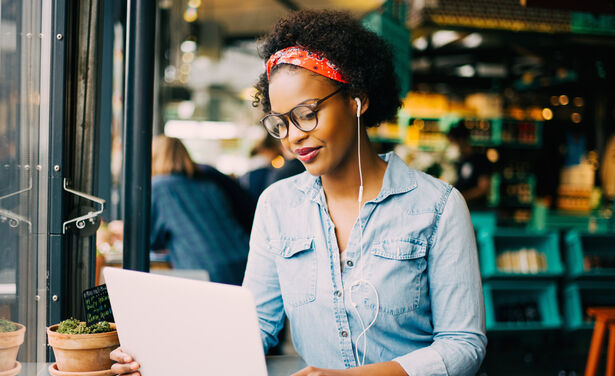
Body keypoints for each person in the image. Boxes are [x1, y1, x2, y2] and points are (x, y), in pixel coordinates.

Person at [111, 10, 486, 376]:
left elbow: (463, 345)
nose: (293, 137)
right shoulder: (278, 205)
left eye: (307, 113)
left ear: (357, 99)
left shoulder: (437, 207)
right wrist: (161, 357)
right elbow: (255, 325)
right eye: (281, 123)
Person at [148, 135, 250, 285]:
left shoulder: (159, 187)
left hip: (206, 272)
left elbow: (151, 240)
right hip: (243, 262)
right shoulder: (209, 185)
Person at [447, 122, 493, 209]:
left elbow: (483, 188)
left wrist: (460, 197)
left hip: (476, 210)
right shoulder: (458, 161)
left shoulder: (480, 159)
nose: (450, 146)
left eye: (452, 142)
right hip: (460, 208)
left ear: (461, 140)